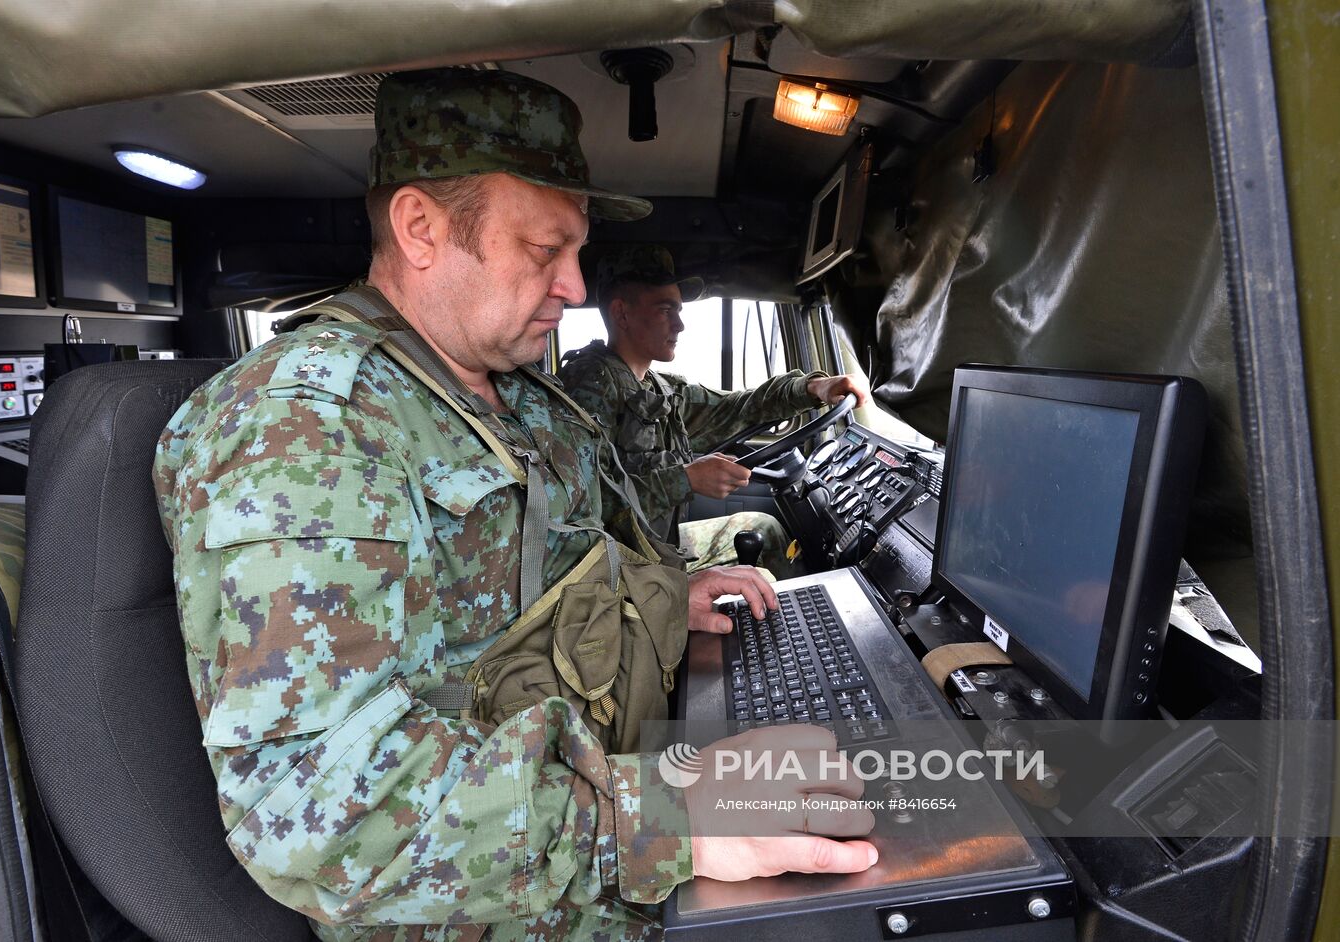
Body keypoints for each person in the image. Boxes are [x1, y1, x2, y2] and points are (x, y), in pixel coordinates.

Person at [153, 68, 876, 942]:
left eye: (576, 253)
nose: (575, 287)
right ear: (421, 229)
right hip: (499, 899)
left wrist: (661, 595)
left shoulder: (515, 395)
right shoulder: (306, 425)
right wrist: (670, 813)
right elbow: (319, 816)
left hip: (589, 797)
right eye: (545, 250)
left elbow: (541, 574)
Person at [558, 245, 870, 574]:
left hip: (656, 548)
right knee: (758, 573)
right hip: (619, 568)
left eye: (678, 310)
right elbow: (583, 506)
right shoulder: (590, 386)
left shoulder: (656, 388)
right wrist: (685, 480)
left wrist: (812, 388)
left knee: (764, 529)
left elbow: (739, 407)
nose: (679, 325)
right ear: (621, 314)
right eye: (666, 310)